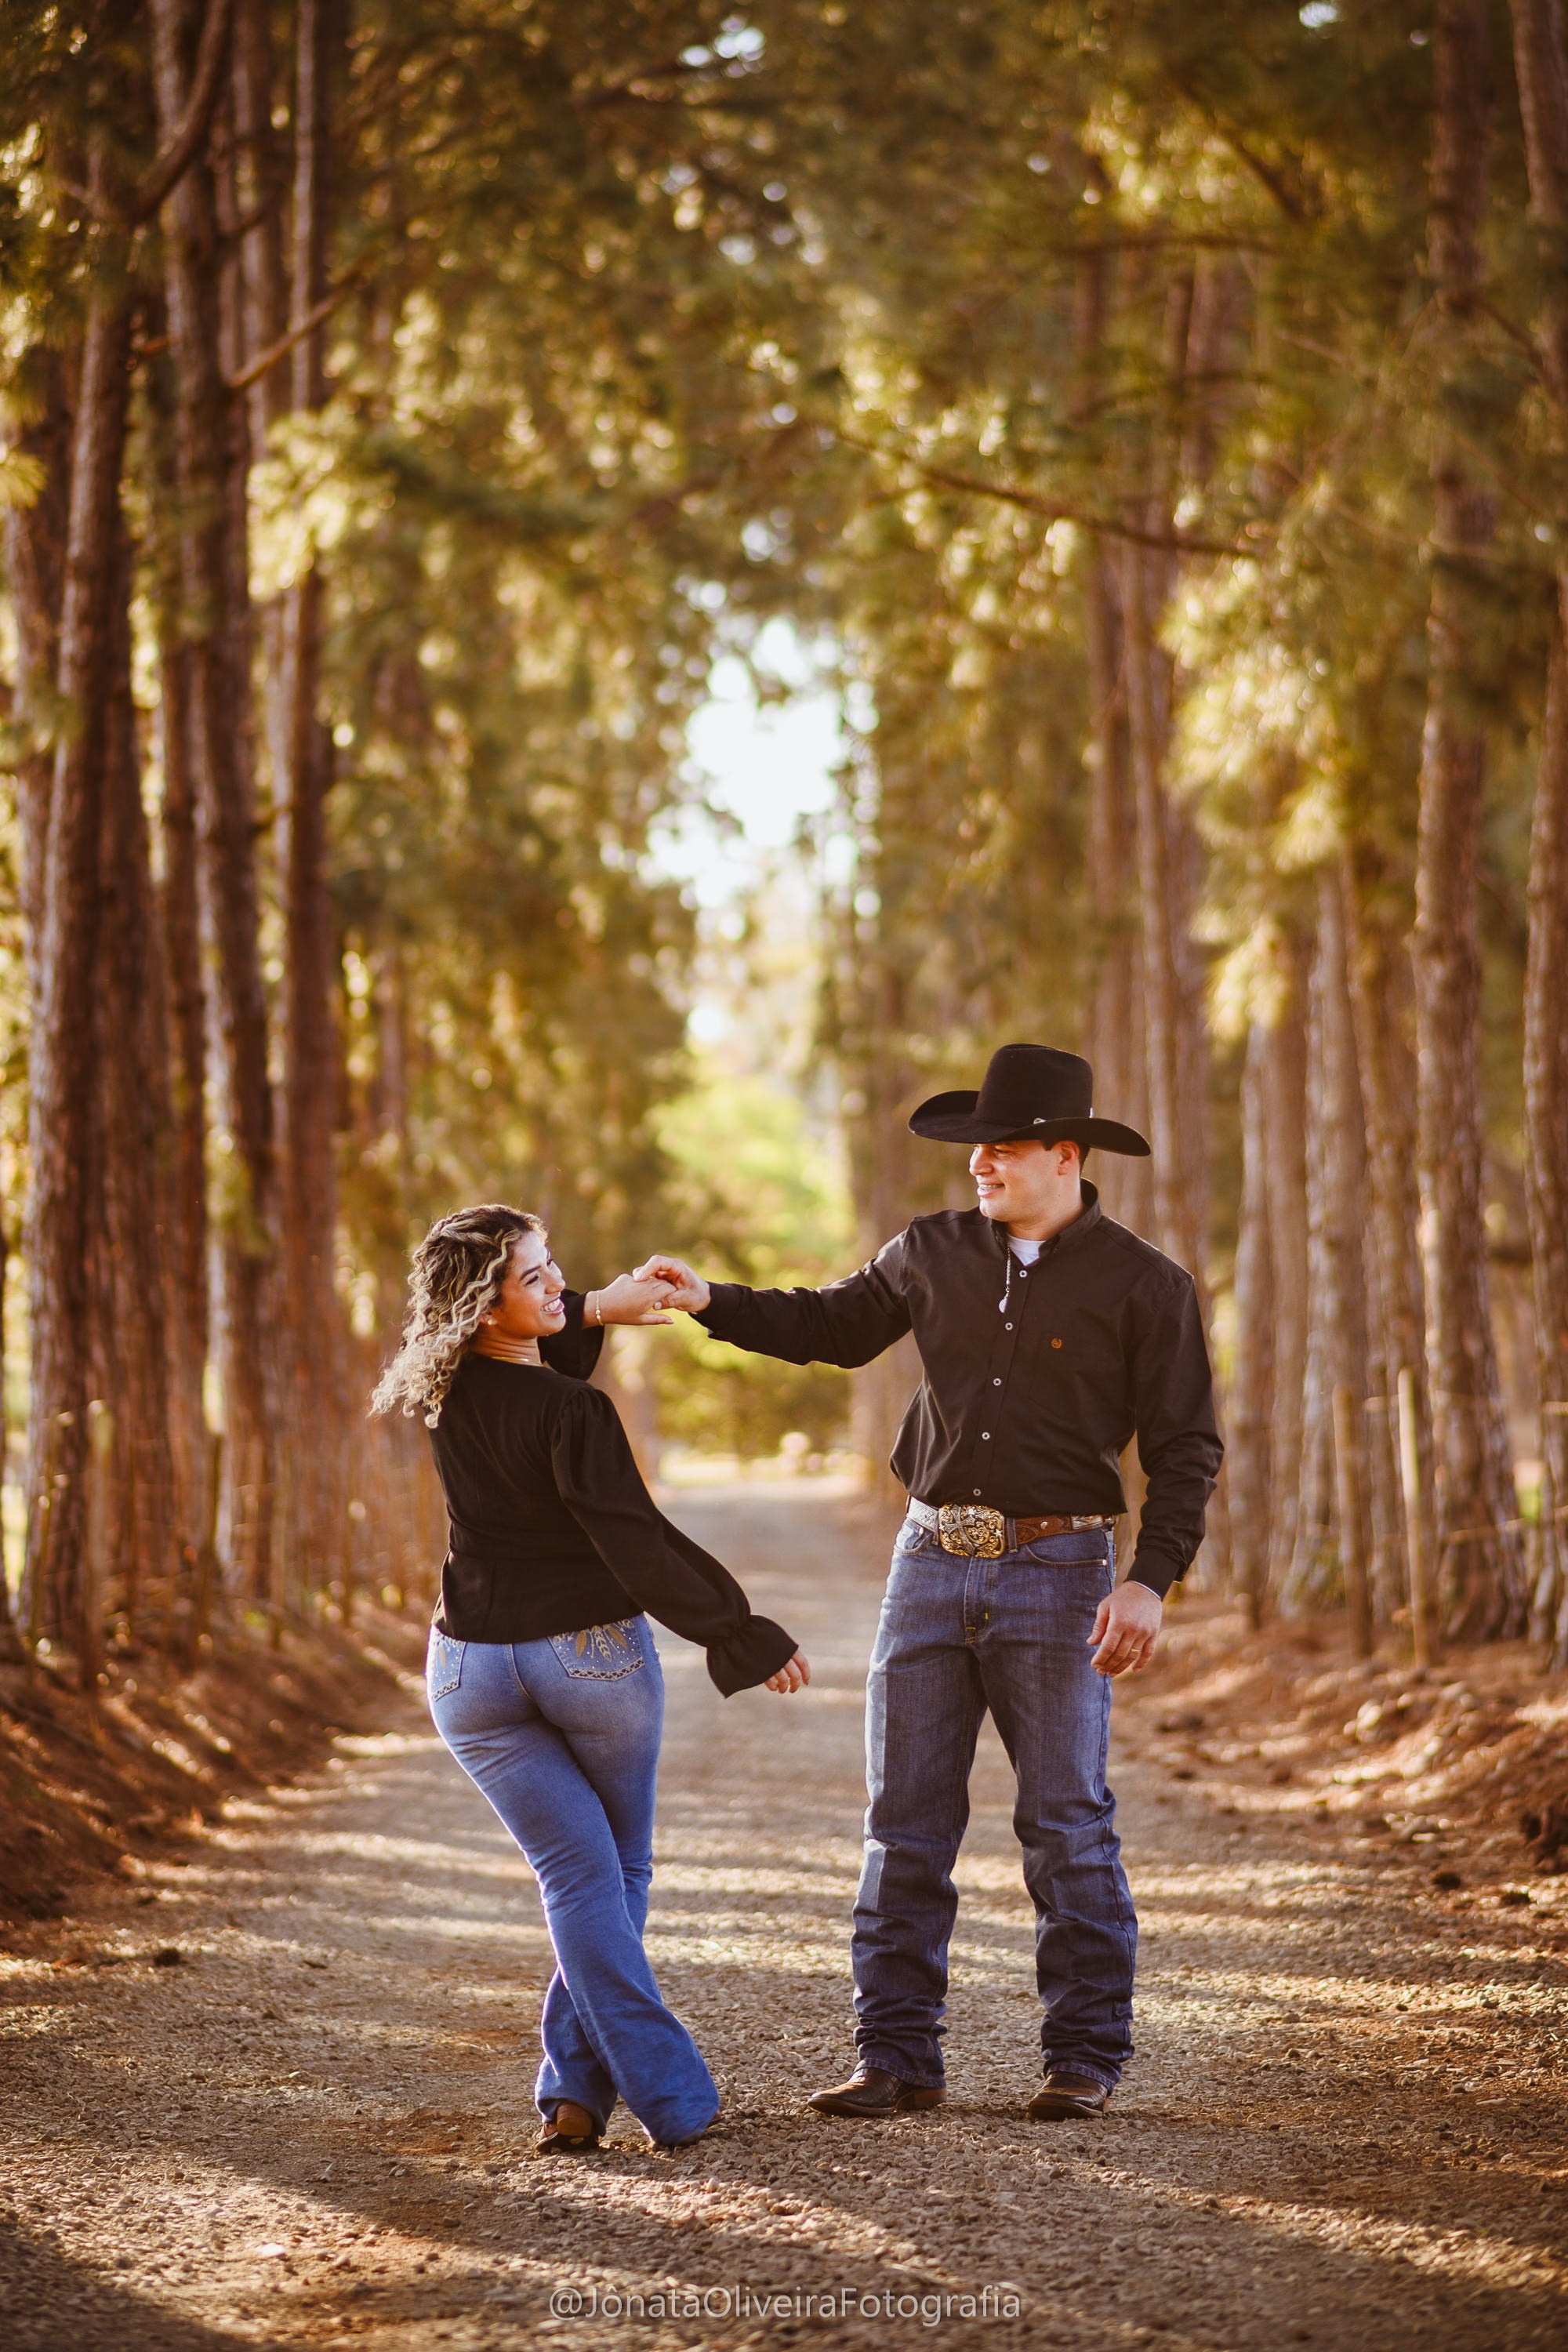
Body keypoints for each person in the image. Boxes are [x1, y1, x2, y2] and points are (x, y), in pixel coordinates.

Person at [635, 1044, 1221, 2124]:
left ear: (1067, 1154)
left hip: (1063, 1568)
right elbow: (828, 1326)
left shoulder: (1148, 1284)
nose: (981, 1167)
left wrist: (1151, 1582)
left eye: (1002, 1149)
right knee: (902, 1820)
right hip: (926, 1562)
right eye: (975, 1150)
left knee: (1065, 1822)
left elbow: (1186, 1448)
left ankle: (1083, 2059)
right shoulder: (930, 1252)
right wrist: (710, 1297)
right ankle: (895, 2058)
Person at [371, 1203, 809, 2155]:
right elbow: (634, 1540)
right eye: (536, 1278)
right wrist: (740, 1632)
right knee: (615, 1872)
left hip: (468, 1672)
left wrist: (593, 1310)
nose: (558, 1284)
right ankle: (674, 2097)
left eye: (553, 1265)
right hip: (584, 1659)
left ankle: (572, 2095)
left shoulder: (443, 1387)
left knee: (578, 1878)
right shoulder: (574, 1409)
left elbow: (531, 1378)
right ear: (486, 1308)